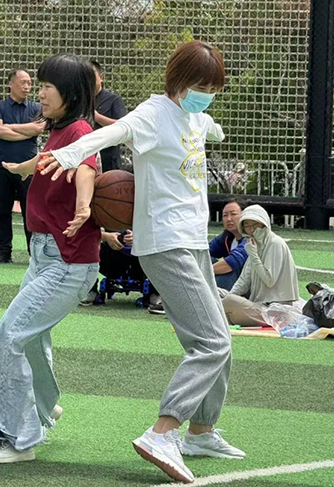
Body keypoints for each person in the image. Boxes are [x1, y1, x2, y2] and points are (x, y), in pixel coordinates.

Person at [39, 41, 244, 484]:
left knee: (219, 339)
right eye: (201, 87)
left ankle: (201, 432)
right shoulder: (153, 114)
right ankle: (162, 433)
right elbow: (110, 134)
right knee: (212, 343)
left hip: (193, 242)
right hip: (165, 244)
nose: (206, 96)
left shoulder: (194, 116)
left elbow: (208, 127)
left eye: (213, 90)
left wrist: (214, 128)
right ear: (178, 81)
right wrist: (68, 154)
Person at [0, 54, 100, 464]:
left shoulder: (80, 131)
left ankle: (17, 439)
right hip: (46, 256)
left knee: (7, 341)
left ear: (70, 93)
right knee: (30, 341)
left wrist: (83, 206)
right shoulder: (59, 130)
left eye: (48, 86)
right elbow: (52, 160)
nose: (41, 93)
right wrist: (23, 167)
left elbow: (86, 168)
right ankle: (44, 408)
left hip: (66, 261)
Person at [0, 69, 45, 263]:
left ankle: (33, 253)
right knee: (3, 211)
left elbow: (39, 128)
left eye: (29, 83)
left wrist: (10, 127)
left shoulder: (36, 108)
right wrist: (26, 132)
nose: (27, 87)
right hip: (2, 166)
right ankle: (3, 251)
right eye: (23, 82)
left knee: (30, 211)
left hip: (28, 168)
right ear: (11, 84)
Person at [221, 204, 299, 327]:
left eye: (255, 225)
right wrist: (228, 297)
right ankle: (223, 314)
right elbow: (243, 281)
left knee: (228, 302)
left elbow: (269, 280)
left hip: (275, 311)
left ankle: (223, 315)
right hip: (258, 305)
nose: (251, 230)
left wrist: (253, 255)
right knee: (217, 293)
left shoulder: (275, 243)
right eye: (247, 226)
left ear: (264, 224)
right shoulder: (253, 244)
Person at [80, 229, 164, 314]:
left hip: (142, 257)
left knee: (164, 248)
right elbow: (85, 231)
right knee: (85, 242)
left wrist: (140, 238)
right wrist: (106, 236)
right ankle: (90, 290)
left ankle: (156, 293)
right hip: (110, 256)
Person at [90, 61, 127, 172]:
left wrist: (98, 118)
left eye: (91, 77)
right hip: (86, 158)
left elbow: (124, 126)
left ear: (101, 77)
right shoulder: (78, 101)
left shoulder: (113, 100)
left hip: (109, 160)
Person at [209, 200, 248, 290]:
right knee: (204, 258)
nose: (229, 219)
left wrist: (202, 272)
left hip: (249, 285)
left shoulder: (251, 237)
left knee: (230, 269)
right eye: (225, 215)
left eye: (233, 214)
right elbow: (205, 250)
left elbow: (232, 262)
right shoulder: (227, 236)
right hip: (234, 282)